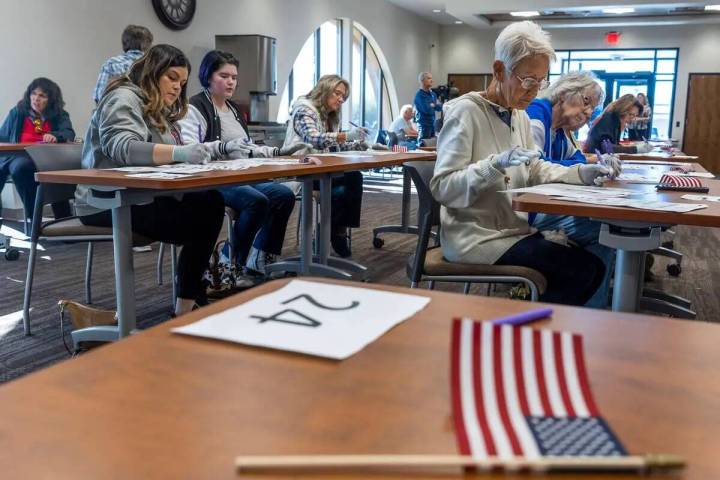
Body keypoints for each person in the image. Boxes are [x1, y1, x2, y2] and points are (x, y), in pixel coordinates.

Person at [430, 21, 610, 306]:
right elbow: (443, 187)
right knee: (581, 270)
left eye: (541, 82)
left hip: (512, 231)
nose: (534, 91)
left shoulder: (519, 115)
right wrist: (493, 165)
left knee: (592, 268)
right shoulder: (466, 112)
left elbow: (534, 167)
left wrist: (580, 172)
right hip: (475, 238)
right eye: (528, 81)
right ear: (499, 70)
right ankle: (530, 325)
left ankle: (532, 319)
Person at [76, 44, 225, 316]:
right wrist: (180, 153)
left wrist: (216, 151)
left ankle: (188, 301)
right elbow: (122, 147)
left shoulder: (153, 107)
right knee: (206, 211)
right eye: (171, 77)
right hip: (104, 201)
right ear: (151, 72)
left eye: (182, 81)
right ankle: (187, 301)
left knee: (208, 202)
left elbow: (165, 153)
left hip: (135, 196)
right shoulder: (123, 98)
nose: (178, 87)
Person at [178, 50, 308, 282]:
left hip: (239, 175)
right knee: (255, 201)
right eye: (224, 76)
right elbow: (191, 149)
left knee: (283, 195)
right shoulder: (194, 108)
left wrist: (280, 152)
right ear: (208, 76)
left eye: (234, 77)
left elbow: (247, 147)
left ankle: (259, 257)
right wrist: (225, 147)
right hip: (212, 177)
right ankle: (230, 263)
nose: (230, 82)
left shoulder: (235, 109)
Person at [526, 71, 616, 308]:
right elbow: (533, 168)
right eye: (586, 102)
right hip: (524, 213)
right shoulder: (537, 115)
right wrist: (581, 167)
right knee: (606, 231)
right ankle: (589, 306)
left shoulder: (559, 130)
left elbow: (577, 160)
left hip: (543, 206)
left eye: (592, 109)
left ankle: (581, 297)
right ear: (564, 93)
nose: (588, 113)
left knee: (606, 229)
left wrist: (598, 164)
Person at [282, 74, 367, 258]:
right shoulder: (304, 109)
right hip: (300, 172)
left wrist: (360, 144)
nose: (341, 99)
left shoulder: (330, 116)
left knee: (349, 181)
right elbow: (313, 139)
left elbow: (334, 146)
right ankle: (336, 233)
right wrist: (345, 136)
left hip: (321, 171)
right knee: (351, 180)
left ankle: (332, 232)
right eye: (337, 93)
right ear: (324, 90)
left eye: (343, 96)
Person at [0, 78, 76, 220]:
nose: (36, 99)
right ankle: (33, 217)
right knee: (20, 167)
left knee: (48, 170)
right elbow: (3, 136)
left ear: (51, 99)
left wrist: (55, 136)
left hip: (47, 159)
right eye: (34, 94)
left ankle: (57, 218)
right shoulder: (17, 113)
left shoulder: (59, 114)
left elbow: (68, 133)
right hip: (19, 157)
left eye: (42, 96)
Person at [93, 25, 153, 104]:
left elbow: (99, 96)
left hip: (112, 113)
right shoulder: (153, 68)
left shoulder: (112, 63)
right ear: (148, 45)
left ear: (124, 43)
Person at [585, 94, 650, 154]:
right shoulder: (608, 119)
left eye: (634, 116)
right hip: (595, 160)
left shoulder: (617, 122)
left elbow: (614, 145)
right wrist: (635, 149)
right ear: (623, 109)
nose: (632, 119)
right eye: (630, 114)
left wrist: (635, 146)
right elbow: (607, 148)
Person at [413, 72, 442, 139]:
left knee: (432, 146)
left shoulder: (433, 94)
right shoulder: (419, 95)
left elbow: (440, 107)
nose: (432, 80)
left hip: (432, 125)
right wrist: (434, 106)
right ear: (422, 81)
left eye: (431, 78)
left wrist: (433, 105)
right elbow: (427, 110)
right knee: (423, 147)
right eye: (429, 78)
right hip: (424, 126)